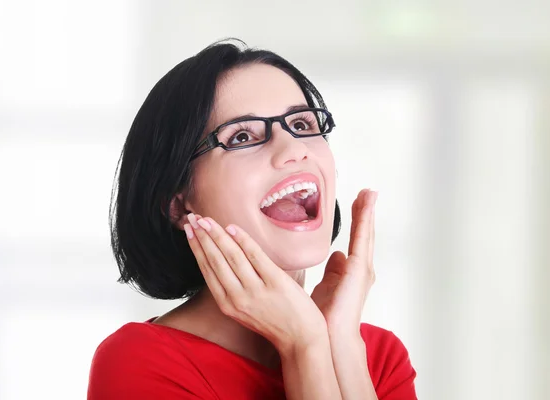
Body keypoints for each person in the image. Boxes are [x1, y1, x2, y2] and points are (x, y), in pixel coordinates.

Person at [87, 39, 417, 400]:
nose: (294, 149)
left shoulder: (379, 357)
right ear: (179, 205)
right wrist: (304, 347)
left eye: (303, 124)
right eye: (242, 136)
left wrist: (340, 344)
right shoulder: (140, 363)